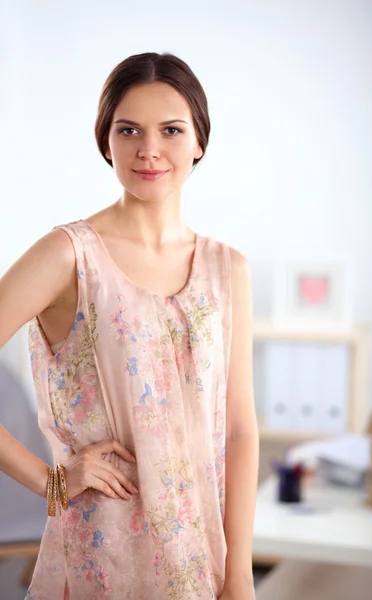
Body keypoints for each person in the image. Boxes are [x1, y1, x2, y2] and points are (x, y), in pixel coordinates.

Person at [0, 52, 259, 599]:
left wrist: (238, 577)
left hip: (200, 567)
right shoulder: (67, 256)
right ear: (106, 141)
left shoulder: (227, 269)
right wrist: (52, 482)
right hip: (98, 563)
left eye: (170, 129)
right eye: (128, 130)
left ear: (199, 142)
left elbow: (238, 432)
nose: (149, 149)